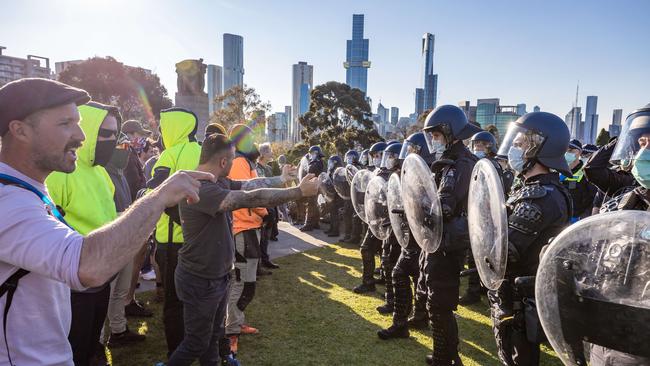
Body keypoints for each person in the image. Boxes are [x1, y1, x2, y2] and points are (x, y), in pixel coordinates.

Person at [0, 78, 211, 365]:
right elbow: (87, 266)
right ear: (19, 130)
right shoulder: (7, 202)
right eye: (65, 124)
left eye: (79, 123)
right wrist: (158, 197)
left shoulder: (32, 187)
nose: (81, 136)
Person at [167, 133, 318, 365]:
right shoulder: (203, 190)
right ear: (223, 162)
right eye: (232, 159)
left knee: (214, 338)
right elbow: (251, 198)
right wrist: (298, 192)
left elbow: (250, 184)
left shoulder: (218, 181)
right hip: (200, 280)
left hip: (216, 276)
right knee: (196, 342)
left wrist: (281, 178)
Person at [44, 101, 125, 365]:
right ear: (86, 130)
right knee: (74, 345)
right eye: (104, 133)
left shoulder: (101, 172)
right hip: (72, 280)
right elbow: (48, 223)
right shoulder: (61, 172)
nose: (111, 139)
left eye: (114, 133)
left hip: (102, 274)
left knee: (94, 340)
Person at [491, 111, 572, 366]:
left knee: (518, 357)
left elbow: (507, 248)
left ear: (538, 146)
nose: (514, 148)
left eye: (520, 142)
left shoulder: (542, 195)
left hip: (521, 297)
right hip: (514, 294)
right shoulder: (531, 188)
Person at [585, 103, 650, 365]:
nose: (644, 151)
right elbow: (594, 169)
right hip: (610, 322)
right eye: (642, 143)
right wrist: (622, 138)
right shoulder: (628, 189)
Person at [420, 105, 480, 365]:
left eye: (436, 135)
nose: (433, 141)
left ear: (450, 133)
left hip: (449, 243)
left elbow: (445, 205)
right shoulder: (447, 162)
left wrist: (423, 203)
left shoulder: (461, 163)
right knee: (435, 302)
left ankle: (447, 358)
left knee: (440, 304)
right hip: (440, 240)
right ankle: (447, 354)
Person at [147, 107, 203, 356]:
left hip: (172, 241)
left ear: (171, 128)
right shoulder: (203, 152)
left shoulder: (167, 156)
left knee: (174, 301)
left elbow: (157, 195)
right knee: (202, 297)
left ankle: (177, 352)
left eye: (162, 128)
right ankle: (202, 347)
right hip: (203, 238)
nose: (160, 133)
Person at [378, 132, 433, 340]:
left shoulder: (430, 176)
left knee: (416, 278)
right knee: (400, 274)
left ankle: (417, 317)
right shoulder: (409, 174)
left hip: (424, 238)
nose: (406, 154)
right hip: (410, 237)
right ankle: (403, 322)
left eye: (411, 149)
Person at [225, 124, 268, 349]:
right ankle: (231, 328)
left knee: (247, 282)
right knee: (241, 282)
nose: (254, 142)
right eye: (249, 138)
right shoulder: (240, 162)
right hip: (243, 228)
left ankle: (236, 323)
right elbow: (248, 195)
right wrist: (265, 211)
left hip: (249, 227)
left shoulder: (244, 161)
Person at [103, 140, 147, 348]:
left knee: (121, 288)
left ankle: (119, 330)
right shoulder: (102, 172)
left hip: (125, 232)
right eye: (121, 148)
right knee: (108, 291)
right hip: (111, 234)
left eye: (127, 148)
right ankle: (100, 340)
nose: (126, 152)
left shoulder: (120, 172)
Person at [459, 131, 508, 306]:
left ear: (490, 147)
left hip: (490, 218)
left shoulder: (493, 166)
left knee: (489, 255)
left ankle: (488, 290)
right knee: (474, 254)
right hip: (476, 216)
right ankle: (474, 290)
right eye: (476, 145)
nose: (478, 148)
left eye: (482, 145)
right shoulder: (474, 165)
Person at [353, 141, 387, 294]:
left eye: (377, 155)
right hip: (376, 219)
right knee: (380, 251)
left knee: (367, 249)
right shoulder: (376, 171)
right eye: (372, 155)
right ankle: (383, 277)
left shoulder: (389, 173)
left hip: (382, 220)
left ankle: (368, 282)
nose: (374, 158)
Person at [256, 142, 281, 269]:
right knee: (259, 237)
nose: (272, 153)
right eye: (270, 151)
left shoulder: (269, 168)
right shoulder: (256, 169)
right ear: (264, 153)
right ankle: (258, 263)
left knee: (266, 236)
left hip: (271, 206)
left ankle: (265, 259)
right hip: (261, 207)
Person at [561, 139, 597, 221]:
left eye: (570, 150)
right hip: (560, 219)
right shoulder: (558, 171)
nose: (567, 153)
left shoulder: (587, 173)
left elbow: (593, 200)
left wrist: (582, 219)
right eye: (565, 150)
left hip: (577, 221)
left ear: (579, 152)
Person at [340, 149, 363, 243]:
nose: (348, 159)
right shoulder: (347, 168)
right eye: (347, 157)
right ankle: (347, 235)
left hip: (355, 196)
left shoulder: (358, 168)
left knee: (355, 217)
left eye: (350, 157)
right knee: (346, 215)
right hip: (347, 196)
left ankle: (355, 237)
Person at [300, 145, 324, 231]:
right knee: (314, 204)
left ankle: (308, 224)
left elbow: (311, 172)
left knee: (311, 204)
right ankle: (315, 223)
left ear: (316, 153)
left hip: (314, 186)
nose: (311, 155)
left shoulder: (317, 162)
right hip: (314, 186)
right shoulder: (317, 162)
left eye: (312, 153)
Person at [324, 154, 344, 237]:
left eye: (331, 162)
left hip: (337, 196)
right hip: (331, 195)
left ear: (336, 163)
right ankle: (331, 228)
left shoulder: (339, 172)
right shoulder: (331, 171)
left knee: (335, 214)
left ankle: (335, 231)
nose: (330, 164)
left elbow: (339, 185)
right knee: (332, 213)